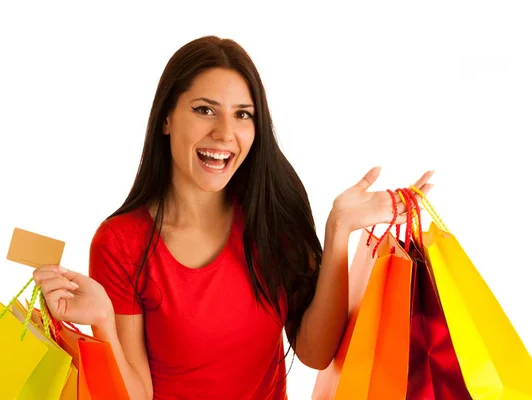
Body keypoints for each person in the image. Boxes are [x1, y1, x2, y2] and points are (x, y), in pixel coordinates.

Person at [32, 35, 434, 400]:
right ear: (167, 119)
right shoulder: (121, 242)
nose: (226, 133)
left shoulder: (271, 218)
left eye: (243, 115)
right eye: (205, 110)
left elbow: (315, 353)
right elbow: (135, 394)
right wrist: (102, 322)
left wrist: (339, 230)